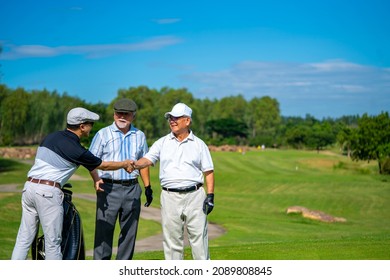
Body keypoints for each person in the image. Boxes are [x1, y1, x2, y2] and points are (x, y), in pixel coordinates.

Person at [11, 107, 134, 260]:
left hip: (29, 188)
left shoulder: (51, 137)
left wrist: (96, 179)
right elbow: (103, 165)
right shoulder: (77, 150)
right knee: (53, 242)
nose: (91, 128)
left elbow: (91, 166)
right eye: (91, 124)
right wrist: (124, 163)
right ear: (82, 126)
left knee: (24, 239)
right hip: (48, 193)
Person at [133, 102, 215, 260]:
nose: (172, 120)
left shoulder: (199, 144)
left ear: (187, 121)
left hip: (195, 195)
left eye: (176, 117)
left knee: (199, 240)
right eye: (170, 118)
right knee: (172, 242)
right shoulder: (162, 142)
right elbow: (148, 159)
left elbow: (209, 172)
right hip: (170, 196)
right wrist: (134, 164)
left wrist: (210, 196)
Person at [89, 98, 152, 260]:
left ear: (133, 116)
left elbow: (143, 162)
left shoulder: (140, 135)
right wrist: (96, 179)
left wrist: (147, 187)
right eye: (119, 113)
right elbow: (92, 162)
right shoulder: (102, 134)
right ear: (114, 114)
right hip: (108, 188)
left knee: (129, 233)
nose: (122, 116)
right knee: (104, 232)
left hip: (132, 188)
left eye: (126, 114)